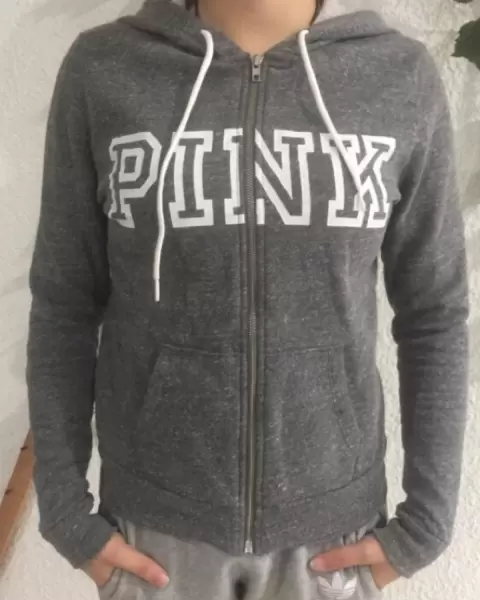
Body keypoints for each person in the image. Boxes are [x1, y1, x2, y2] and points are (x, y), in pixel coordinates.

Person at [26, 0, 470, 598]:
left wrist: (425, 527)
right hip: (156, 536)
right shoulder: (106, 68)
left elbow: (434, 311)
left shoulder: (398, 74)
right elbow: (64, 302)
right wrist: (64, 510)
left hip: (331, 539)